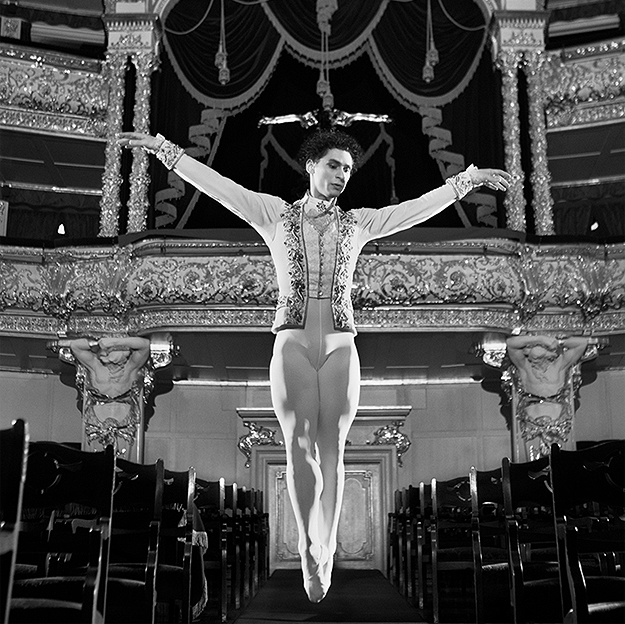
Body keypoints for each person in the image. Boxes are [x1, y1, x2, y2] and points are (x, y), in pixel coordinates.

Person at [118, 128, 511, 602]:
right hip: (292, 344)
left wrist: (465, 182)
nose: (342, 175)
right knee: (298, 446)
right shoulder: (274, 214)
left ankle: (326, 543)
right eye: (333, 165)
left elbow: (415, 209)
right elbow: (218, 187)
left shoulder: (359, 222)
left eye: (348, 169)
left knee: (333, 451)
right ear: (310, 165)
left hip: (342, 345)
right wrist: (167, 152)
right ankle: (309, 544)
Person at [54, 336, 151, 456]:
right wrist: (98, 343)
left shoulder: (130, 368)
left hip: (126, 420)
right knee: (94, 459)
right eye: (110, 362)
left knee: (125, 460)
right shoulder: (95, 366)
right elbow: (76, 346)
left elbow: (145, 345)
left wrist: (116, 341)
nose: (114, 368)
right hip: (96, 419)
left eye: (118, 363)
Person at [506, 334, 596, 459]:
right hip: (530, 423)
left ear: (548, 357)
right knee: (531, 462)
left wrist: (557, 342)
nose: (536, 363)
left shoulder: (559, 365)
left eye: (540, 359)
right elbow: (510, 343)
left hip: (559, 422)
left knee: (561, 461)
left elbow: (581, 343)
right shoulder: (525, 367)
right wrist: (540, 339)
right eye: (533, 359)